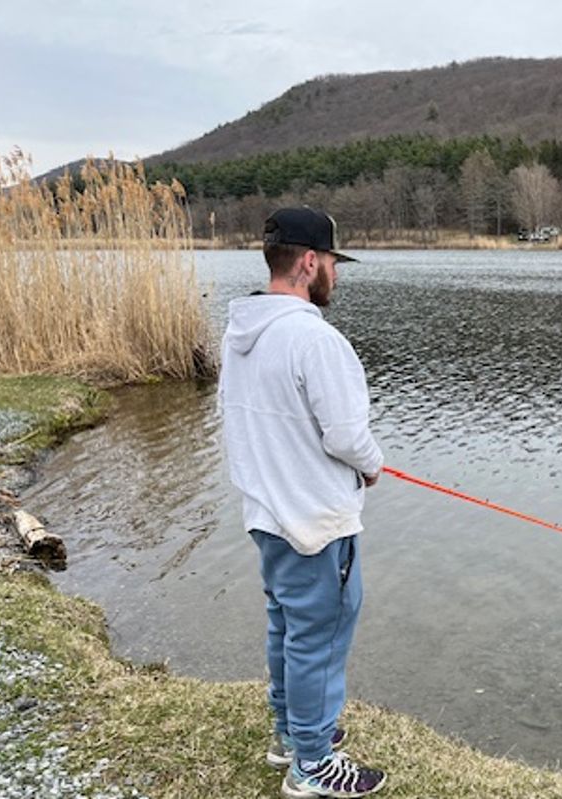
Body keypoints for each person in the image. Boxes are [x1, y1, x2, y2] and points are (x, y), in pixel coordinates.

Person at [219, 207, 387, 798]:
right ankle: (312, 764)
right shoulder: (316, 338)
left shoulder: (240, 332)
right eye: (333, 265)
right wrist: (372, 466)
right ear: (310, 262)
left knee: (287, 627)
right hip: (314, 522)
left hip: (266, 516)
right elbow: (346, 436)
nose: (336, 277)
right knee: (322, 634)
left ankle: (290, 733)